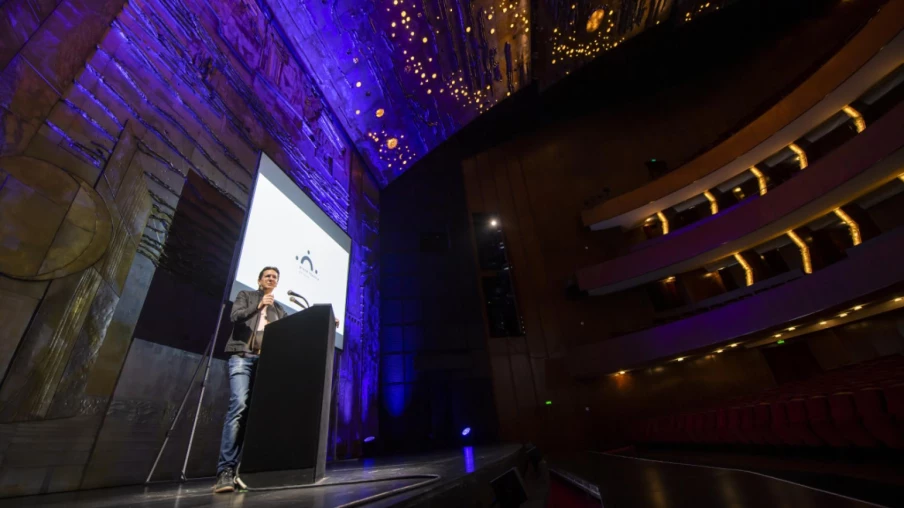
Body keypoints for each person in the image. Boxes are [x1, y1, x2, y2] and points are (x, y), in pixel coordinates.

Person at [214, 266, 286, 493]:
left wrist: (325, 321)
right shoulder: (246, 296)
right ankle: (225, 471)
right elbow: (235, 316)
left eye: (274, 277)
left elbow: (289, 331)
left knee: (256, 414)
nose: (271, 279)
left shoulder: (279, 310)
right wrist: (258, 306)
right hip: (242, 357)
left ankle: (245, 471)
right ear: (260, 280)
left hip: (266, 363)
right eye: (268, 276)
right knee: (239, 405)